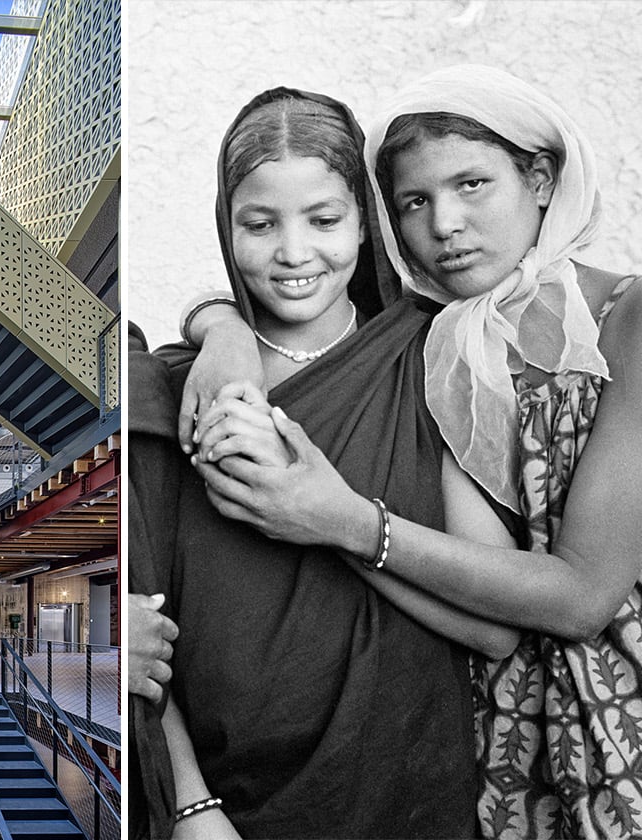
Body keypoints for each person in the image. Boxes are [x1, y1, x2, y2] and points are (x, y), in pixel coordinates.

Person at [191, 65, 642, 839]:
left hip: (616, 691)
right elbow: (285, 282)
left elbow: (581, 596)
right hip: (493, 725)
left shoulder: (616, 319)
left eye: (472, 185)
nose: (445, 226)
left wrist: (342, 520)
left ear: (541, 177)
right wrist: (220, 326)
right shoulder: (442, 333)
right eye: (414, 202)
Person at [129, 87, 515, 839]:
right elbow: (145, 625)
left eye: (326, 220)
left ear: (366, 224)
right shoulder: (170, 386)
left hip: (406, 783)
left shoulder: (429, 358)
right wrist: (190, 803)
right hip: (225, 808)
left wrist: (331, 519)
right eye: (260, 224)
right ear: (225, 226)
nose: (296, 253)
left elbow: (496, 625)